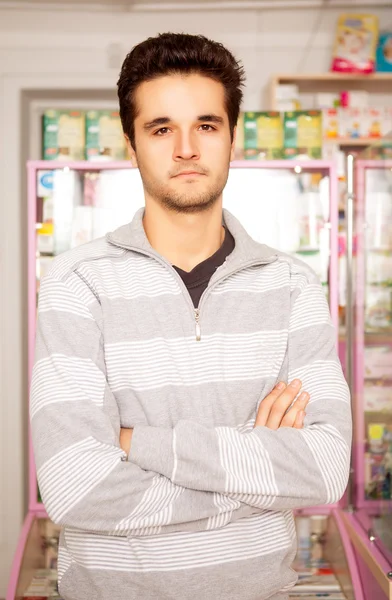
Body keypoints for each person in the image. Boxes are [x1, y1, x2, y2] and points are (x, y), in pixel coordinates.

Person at [30, 32, 352, 600]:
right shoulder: (75, 281)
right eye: (161, 129)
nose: (185, 148)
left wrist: (133, 441)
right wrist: (258, 466)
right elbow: (75, 487)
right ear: (131, 144)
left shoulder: (293, 284)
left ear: (232, 138)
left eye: (206, 125)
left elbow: (323, 470)